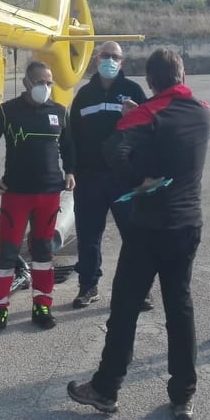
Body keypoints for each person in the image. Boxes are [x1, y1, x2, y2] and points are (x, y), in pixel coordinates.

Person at [67, 48, 210, 420]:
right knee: (180, 308)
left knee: (126, 307)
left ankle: (106, 388)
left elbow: (113, 148)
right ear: (182, 75)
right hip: (187, 223)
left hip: (149, 226)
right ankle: (183, 395)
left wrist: (136, 176)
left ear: (150, 81)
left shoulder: (146, 114)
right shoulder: (202, 110)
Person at [0, 60, 75, 337]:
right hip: (16, 195)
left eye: (49, 82)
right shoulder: (8, 112)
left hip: (48, 194)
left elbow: (69, 146)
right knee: (7, 252)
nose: (45, 87)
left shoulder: (58, 111)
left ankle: (42, 306)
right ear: (26, 83)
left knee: (43, 252)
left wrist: (70, 171)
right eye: (40, 82)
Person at [69, 40, 150, 309]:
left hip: (124, 179)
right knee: (89, 235)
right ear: (96, 59)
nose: (109, 61)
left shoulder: (133, 91)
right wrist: (71, 170)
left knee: (135, 235)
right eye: (105, 55)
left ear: (122, 62)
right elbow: (71, 138)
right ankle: (88, 286)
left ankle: (141, 289)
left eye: (115, 57)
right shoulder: (83, 95)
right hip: (90, 179)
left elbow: (149, 131)